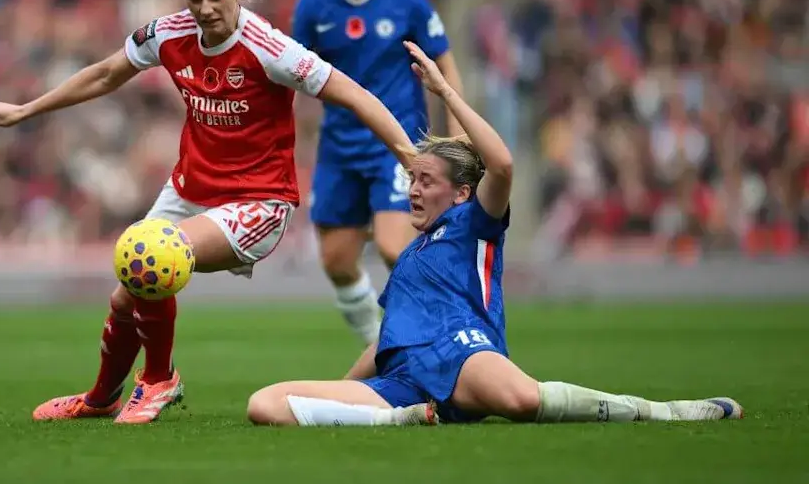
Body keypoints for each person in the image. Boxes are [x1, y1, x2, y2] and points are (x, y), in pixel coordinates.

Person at [0, 0, 416, 425]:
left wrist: (407, 152)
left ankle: (159, 379)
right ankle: (99, 399)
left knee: (152, 257)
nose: (205, 10)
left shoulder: (270, 49)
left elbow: (354, 94)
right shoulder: (165, 35)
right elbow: (103, 75)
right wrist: (27, 109)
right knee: (126, 290)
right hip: (191, 190)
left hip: (259, 202)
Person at [245, 41, 744, 427]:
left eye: (424, 181)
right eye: (410, 180)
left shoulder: (472, 222)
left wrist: (444, 93)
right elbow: (385, 342)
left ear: (461, 193)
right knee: (265, 404)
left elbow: (501, 164)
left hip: (462, 350)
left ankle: (667, 411)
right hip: (402, 382)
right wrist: (339, 392)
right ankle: (399, 421)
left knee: (523, 399)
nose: (411, 191)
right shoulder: (412, 255)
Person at [292, 0, 466, 344]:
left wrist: (459, 136)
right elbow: (289, 68)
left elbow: (443, 61)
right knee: (336, 260)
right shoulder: (314, 3)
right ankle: (380, 345)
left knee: (395, 246)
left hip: (398, 143)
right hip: (339, 145)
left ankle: (443, 337)